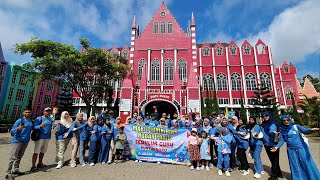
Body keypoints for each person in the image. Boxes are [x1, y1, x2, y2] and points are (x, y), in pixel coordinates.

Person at [271, 115, 320, 180]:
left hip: (301, 148)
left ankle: (312, 177)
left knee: (306, 163)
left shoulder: (296, 126)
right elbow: (282, 140)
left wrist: (311, 130)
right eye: (284, 120)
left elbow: (305, 130)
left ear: (290, 120)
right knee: (295, 165)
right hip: (291, 150)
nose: (286, 122)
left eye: (288, 120)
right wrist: (277, 147)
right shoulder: (282, 129)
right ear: (282, 121)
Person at [5, 108, 33, 179]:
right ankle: (8, 173)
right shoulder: (20, 120)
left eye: (29, 112)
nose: (28, 113)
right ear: (24, 113)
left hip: (25, 141)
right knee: (13, 157)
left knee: (19, 157)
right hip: (17, 141)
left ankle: (15, 170)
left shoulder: (30, 121)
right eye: (26, 112)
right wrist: (18, 128)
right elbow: (12, 130)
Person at [261, 112, 283, 180]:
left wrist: (273, 132)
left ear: (269, 116)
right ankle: (279, 174)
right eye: (263, 116)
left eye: (266, 116)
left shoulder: (273, 124)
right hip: (266, 144)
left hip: (273, 144)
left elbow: (272, 130)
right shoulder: (263, 124)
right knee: (273, 160)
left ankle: (274, 176)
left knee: (274, 160)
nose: (265, 117)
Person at [31, 107, 53, 172]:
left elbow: (50, 127)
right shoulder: (39, 118)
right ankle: (33, 166)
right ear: (43, 112)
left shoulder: (50, 119)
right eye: (46, 111)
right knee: (36, 152)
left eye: (49, 111)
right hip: (40, 137)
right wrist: (40, 126)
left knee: (43, 151)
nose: (48, 112)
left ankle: (40, 163)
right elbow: (33, 127)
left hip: (47, 138)